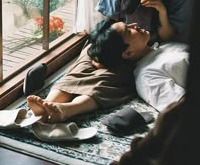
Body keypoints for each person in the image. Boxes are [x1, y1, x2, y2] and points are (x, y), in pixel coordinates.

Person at [27, 19, 188, 122]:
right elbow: (181, 105)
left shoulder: (162, 47)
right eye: (128, 29)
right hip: (132, 61)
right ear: (128, 52)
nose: (134, 25)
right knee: (91, 51)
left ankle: (62, 108)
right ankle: (51, 105)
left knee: (101, 72)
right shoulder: (147, 76)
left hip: (131, 59)